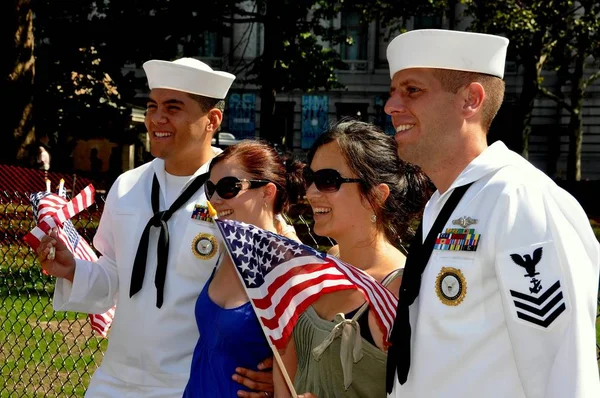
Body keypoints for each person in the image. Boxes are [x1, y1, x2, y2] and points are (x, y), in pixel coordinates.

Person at [35, 58, 272, 397]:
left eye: (173, 108)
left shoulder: (237, 192)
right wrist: (73, 270)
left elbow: (270, 289)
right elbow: (116, 275)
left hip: (197, 382)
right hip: (115, 380)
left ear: (213, 120)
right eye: (152, 106)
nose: (157, 119)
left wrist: (278, 363)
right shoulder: (127, 186)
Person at [384, 29, 600, 397]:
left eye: (412, 90)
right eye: (393, 92)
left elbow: (562, 364)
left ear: (471, 99)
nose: (390, 106)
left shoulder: (519, 199)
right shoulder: (448, 200)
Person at [274, 121, 432, 397]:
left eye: (327, 181)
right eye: (311, 179)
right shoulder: (324, 263)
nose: (310, 193)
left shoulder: (401, 291)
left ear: (375, 197)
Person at [183, 140, 305, 396]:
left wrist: (283, 380)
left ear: (267, 192)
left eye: (229, 188)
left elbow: (312, 361)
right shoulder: (224, 249)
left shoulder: (290, 269)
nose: (215, 199)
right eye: (210, 188)